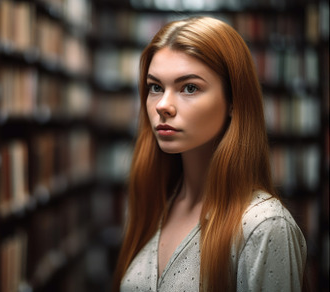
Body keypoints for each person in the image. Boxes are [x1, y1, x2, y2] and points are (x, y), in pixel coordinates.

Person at [113, 16, 307, 292]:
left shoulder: (263, 226)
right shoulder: (155, 199)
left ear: (233, 101)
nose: (163, 106)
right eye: (155, 87)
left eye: (189, 87)